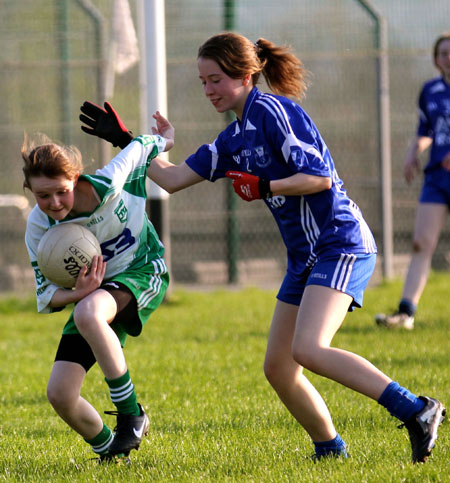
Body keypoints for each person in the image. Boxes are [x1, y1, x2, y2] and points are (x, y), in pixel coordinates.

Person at [80, 32, 445, 463]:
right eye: (202, 82)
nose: (208, 90)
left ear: (246, 74)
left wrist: (265, 185)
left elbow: (320, 178)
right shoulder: (233, 138)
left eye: (216, 79)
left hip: (340, 242)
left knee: (308, 348)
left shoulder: (275, 112)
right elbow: (173, 179)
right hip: (305, 259)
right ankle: (330, 449)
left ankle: (417, 409)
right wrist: (127, 141)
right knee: (279, 367)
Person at [22, 111, 173, 463]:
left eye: (62, 192)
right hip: (95, 294)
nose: (55, 203)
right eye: (44, 196)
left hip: (140, 271)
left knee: (89, 313)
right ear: (31, 191)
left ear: (75, 179)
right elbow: (46, 294)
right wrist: (79, 291)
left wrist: (167, 138)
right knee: (60, 394)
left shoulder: (111, 180)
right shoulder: (38, 227)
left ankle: (131, 414)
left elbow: (142, 147)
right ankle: (113, 453)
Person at [376, 33, 450, 330]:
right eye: (443, 53)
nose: (448, 57)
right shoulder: (430, 90)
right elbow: (426, 130)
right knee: (421, 243)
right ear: (436, 60)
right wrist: (412, 153)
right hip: (436, 178)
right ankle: (405, 313)